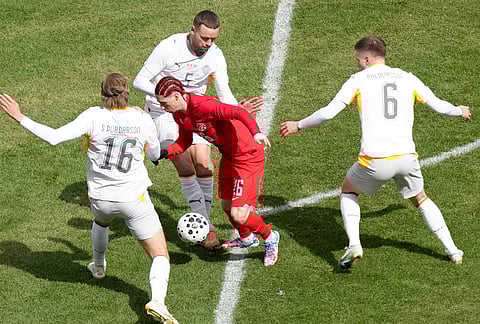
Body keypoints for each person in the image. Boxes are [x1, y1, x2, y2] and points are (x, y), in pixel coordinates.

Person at [0, 73, 179, 323]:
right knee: (160, 254)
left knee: (102, 222)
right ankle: (158, 301)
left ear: (102, 94)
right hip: (134, 199)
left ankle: (98, 266)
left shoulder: (93, 116)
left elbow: (54, 137)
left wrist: (20, 117)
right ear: (128, 92)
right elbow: (154, 155)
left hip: (101, 198)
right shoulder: (142, 119)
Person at [280, 36, 471, 269]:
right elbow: (439, 105)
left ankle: (354, 244)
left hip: (375, 160)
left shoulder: (358, 80)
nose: (358, 64)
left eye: (358, 60)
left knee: (349, 190)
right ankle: (453, 250)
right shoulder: (407, 78)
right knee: (420, 198)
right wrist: (459, 110)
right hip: (407, 158)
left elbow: (328, 113)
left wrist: (298, 124)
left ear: (368, 59)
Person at [133, 10, 260, 249]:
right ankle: (206, 226)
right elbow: (139, 81)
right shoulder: (169, 47)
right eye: (204, 38)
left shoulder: (215, 56)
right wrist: (166, 97)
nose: (208, 44)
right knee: (184, 162)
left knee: (204, 163)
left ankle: (204, 219)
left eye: (213, 39)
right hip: (163, 111)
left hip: (193, 110)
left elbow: (225, 93)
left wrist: (240, 115)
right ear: (193, 29)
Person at [153, 76, 280, 266]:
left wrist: (256, 132)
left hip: (247, 155)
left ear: (177, 95)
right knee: (227, 207)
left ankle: (270, 236)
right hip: (229, 156)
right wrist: (165, 152)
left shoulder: (203, 106)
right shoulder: (179, 114)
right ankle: (246, 238)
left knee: (239, 214)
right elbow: (185, 140)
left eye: (164, 103)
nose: (162, 107)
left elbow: (238, 112)